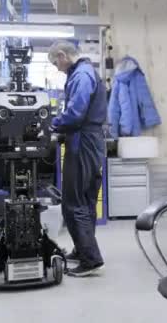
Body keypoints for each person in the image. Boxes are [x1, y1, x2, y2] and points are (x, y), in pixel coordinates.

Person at [48, 41, 106, 277]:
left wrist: (52, 124)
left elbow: (75, 113)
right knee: (86, 200)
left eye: (55, 63)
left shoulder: (81, 75)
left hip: (83, 142)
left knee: (74, 202)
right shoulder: (85, 72)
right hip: (89, 141)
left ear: (63, 56)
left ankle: (91, 259)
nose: (57, 68)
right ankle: (83, 250)